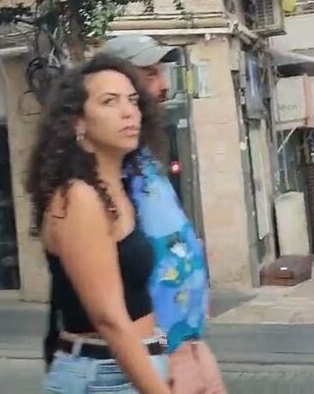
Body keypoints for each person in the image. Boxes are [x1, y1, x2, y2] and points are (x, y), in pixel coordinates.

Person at [32, 54, 171, 394]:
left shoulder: (116, 189)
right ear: (78, 122)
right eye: (110, 102)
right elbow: (108, 319)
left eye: (133, 101)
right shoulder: (79, 198)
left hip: (127, 368)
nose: (129, 112)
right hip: (103, 376)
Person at [99, 35, 226, 394]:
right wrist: (155, 363)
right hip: (160, 355)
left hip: (191, 346)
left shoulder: (144, 162)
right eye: (151, 74)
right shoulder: (109, 169)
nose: (164, 86)